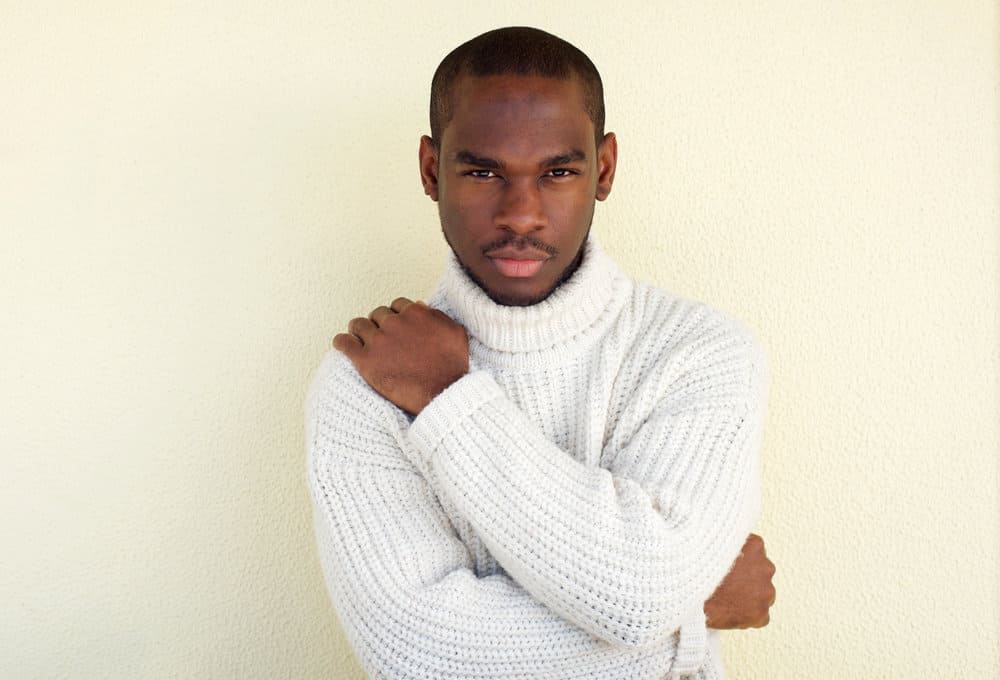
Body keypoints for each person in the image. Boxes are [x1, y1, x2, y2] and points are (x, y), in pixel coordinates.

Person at [306, 26, 776, 679]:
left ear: (604, 169)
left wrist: (449, 397)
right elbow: (420, 655)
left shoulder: (699, 351)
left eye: (557, 171)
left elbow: (638, 595)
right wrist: (690, 617)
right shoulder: (367, 380)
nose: (521, 214)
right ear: (431, 169)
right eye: (482, 170)